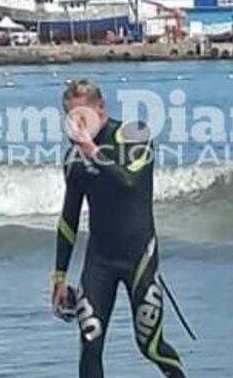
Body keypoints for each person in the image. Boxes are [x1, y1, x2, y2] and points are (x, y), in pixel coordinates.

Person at [52, 79, 186, 378]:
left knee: (150, 346)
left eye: (84, 116)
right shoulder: (74, 159)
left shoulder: (135, 134)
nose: (79, 125)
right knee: (90, 342)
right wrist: (59, 277)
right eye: (72, 118)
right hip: (99, 261)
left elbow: (128, 181)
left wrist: (91, 148)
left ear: (101, 109)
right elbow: (69, 218)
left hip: (139, 257)